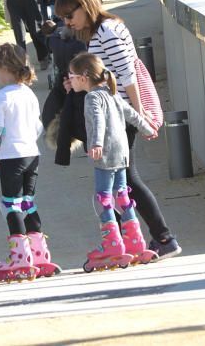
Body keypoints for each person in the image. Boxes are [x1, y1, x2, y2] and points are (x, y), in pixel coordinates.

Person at [54, 0, 182, 260]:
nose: (67, 22)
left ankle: (162, 237)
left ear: (84, 4)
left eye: (69, 14)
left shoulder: (107, 31)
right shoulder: (100, 30)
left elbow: (127, 75)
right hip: (116, 110)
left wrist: (140, 115)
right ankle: (136, 237)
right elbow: (105, 73)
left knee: (127, 179)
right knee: (124, 180)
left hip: (119, 114)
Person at [68, 52, 159, 271]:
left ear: (83, 77)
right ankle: (134, 241)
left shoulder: (92, 98)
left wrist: (96, 143)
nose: (69, 79)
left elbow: (98, 121)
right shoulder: (112, 94)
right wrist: (148, 129)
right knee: (122, 197)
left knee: (103, 199)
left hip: (106, 153)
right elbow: (133, 115)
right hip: (122, 152)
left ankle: (113, 245)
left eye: (71, 75)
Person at [0, 44, 61, 282]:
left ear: (6, 68)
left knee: (10, 204)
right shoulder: (28, 93)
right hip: (31, 153)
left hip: (11, 155)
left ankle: (20, 257)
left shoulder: (2, 96)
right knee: (28, 202)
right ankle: (39, 253)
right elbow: (38, 126)